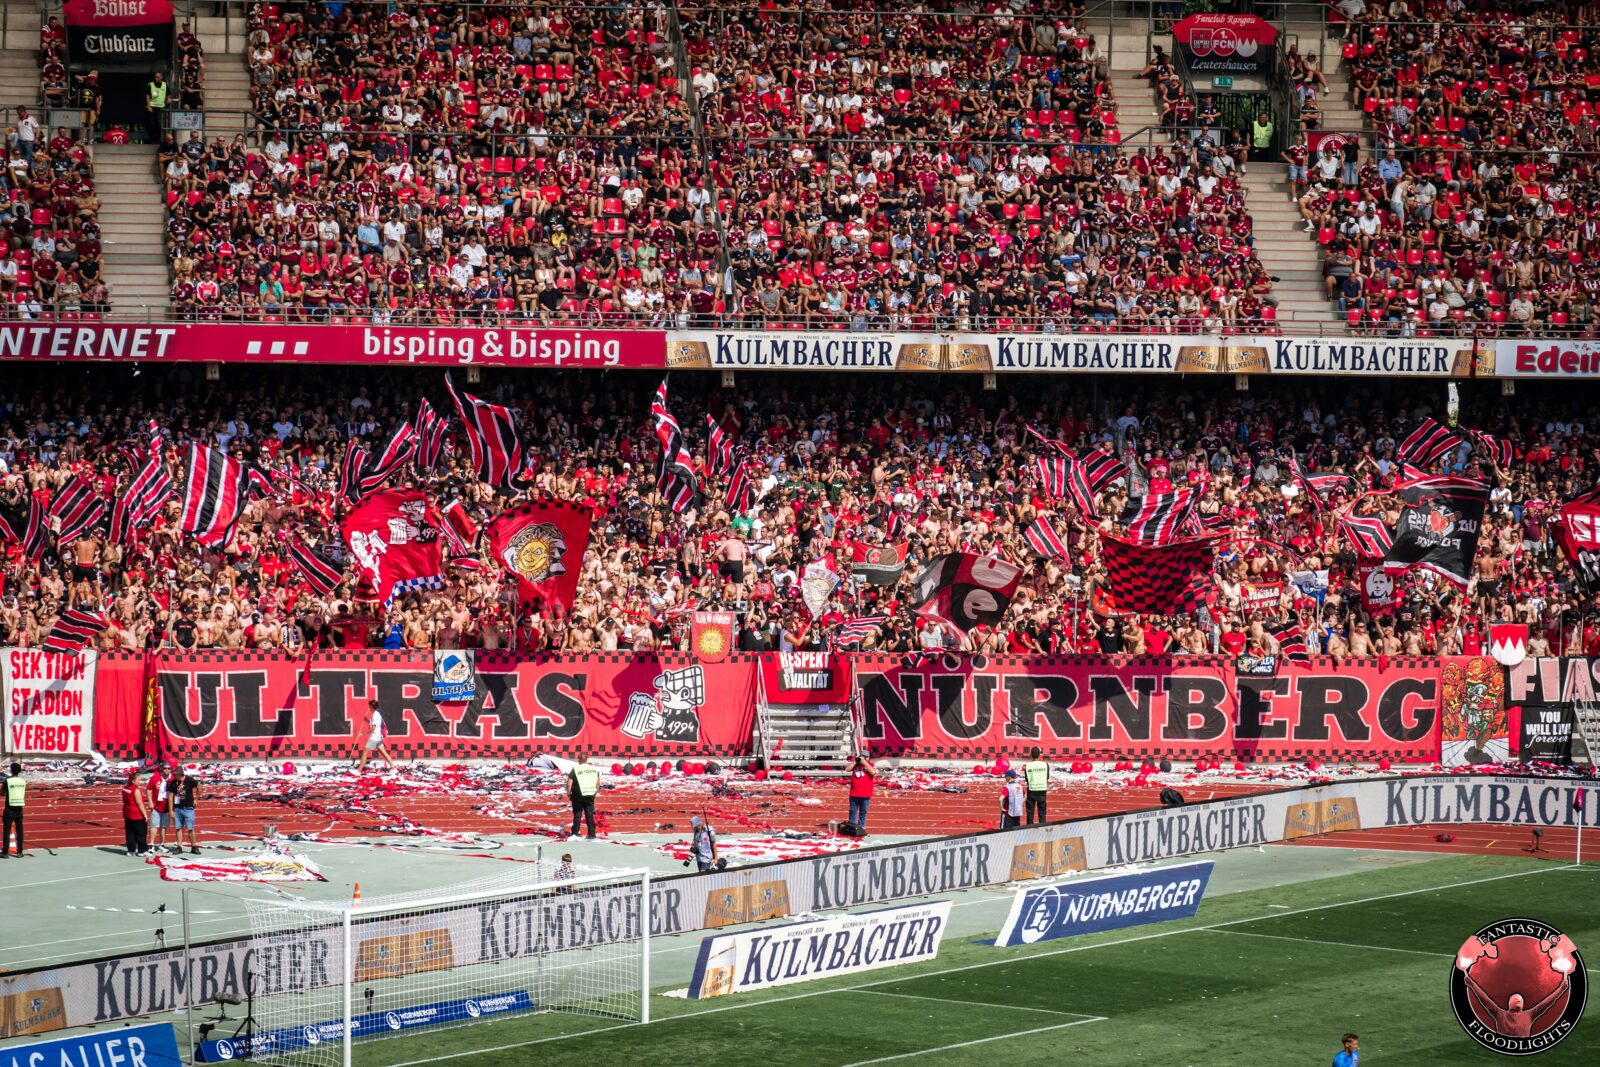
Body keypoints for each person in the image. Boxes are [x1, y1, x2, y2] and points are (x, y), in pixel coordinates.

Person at [355, 699, 394, 772]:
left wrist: (362, 733)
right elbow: (375, 724)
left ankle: (358, 771)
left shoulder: (374, 715)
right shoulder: (377, 714)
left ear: (372, 707)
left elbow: (372, 728)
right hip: (379, 737)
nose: (368, 707)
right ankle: (394, 768)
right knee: (384, 753)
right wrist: (367, 721)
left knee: (364, 753)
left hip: (374, 738)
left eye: (369, 706)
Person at [567, 753, 600, 839]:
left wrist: (568, 792)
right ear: (586, 759)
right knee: (589, 815)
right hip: (590, 795)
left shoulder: (575, 769)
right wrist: (595, 792)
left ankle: (575, 833)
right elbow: (598, 783)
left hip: (577, 795)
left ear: (579, 760)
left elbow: (569, 783)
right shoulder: (593, 769)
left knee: (577, 814)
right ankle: (592, 834)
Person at [120, 768, 151, 857]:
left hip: (127, 813)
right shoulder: (135, 790)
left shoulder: (125, 788)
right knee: (141, 833)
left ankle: (131, 850)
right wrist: (145, 815)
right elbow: (139, 803)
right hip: (136, 814)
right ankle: (142, 850)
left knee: (130, 833)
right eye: (138, 780)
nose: (140, 781)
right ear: (133, 781)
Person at [171, 766, 200, 854]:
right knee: (178, 828)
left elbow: (199, 786)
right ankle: (179, 846)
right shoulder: (173, 783)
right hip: (177, 808)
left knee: (190, 828)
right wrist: (171, 810)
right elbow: (171, 796)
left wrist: (196, 799)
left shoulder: (189, 780)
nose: (174, 775)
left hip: (188, 808)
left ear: (180, 774)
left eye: (176, 774)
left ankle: (194, 846)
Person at [847, 754, 875, 833]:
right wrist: (855, 761)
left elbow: (873, 772)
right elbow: (847, 769)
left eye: (865, 757)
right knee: (852, 811)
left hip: (866, 794)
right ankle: (851, 827)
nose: (863, 758)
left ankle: (861, 828)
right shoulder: (855, 765)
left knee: (863, 812)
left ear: (868, 758)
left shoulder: (871, 765)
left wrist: (865, 763)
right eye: (862, 757)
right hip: (854, 793)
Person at [147, 763, 172, 852]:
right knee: (154, 826)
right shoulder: (155, 778)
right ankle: (151, 845)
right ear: (161, 768)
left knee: (164, 826)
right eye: (165, 768)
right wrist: (150, 802)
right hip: (156, 806)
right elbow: (149, 789)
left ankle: (162, 844)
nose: (167, 770)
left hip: (167, 806)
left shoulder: (172, 779)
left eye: (169, 768)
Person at [2, 762, 25, 858]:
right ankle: (20, 852)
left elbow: (2, 793)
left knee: (7, 831)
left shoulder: (8, 781)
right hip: (19, 809)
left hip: (9, 808)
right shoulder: (22, 781)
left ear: (11, 770)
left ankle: (5, 852)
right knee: (19, 831)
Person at [1023, 747, 1050, 824]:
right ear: (1039, 755)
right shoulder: (1045, 765)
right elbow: (1047, 777)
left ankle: (1029, 829)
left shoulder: (1027, 765)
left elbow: (1026, 778)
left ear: (1031, 755)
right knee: (1042, 813)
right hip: (1042, 790)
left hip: (1031, 790)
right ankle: (1042, 828)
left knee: (1030, 813)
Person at [145, 71, 168, 144]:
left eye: (157, 77)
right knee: (151, 124)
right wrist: (148, 105)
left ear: (161, 77)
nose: (156, 78)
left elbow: (169, 94)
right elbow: (147, 95)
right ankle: (152, 139)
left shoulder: (165, 85)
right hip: (152, 106)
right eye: (155, 77)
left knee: (158, 124)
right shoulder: (150, 85)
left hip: (160, 107)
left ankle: (157, 139)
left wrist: (168, 99)